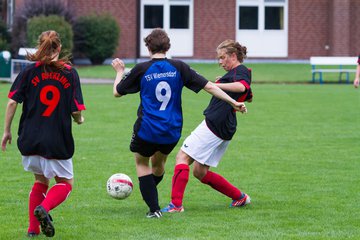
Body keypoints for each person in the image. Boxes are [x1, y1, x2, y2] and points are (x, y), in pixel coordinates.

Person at [111, 29, 246, 218]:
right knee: (159, 164)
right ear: (168, 47)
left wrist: (119, 72)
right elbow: (208, 86)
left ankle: (153, 207)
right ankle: (150, 192)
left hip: (147, 128)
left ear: (148, 48)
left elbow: (117, 92)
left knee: (142, 163)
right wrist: (233, 102)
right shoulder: (180, 67)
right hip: (172, 130)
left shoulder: (142, 68)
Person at [1, 30, 85, 237]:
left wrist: (6, 131)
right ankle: (44, 209)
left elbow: (12, 101)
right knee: (65, 184)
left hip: (29, 138)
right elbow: (75, 110)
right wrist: (79, 119)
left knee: (40, 181)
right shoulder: (69, 73)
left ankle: (32, 230)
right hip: (57, 139)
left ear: (40, 46)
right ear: (59, 48)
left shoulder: (29, 72)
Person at [162, 39, 253, 213]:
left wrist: (217, 84)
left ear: (233, 56)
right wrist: (225, 85)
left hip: (215, 124)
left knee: (182, 157)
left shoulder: (240, 71)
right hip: (224, 125)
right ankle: (239, 197)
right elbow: (248, 95)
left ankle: (176, 205)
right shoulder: (236, 73)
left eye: (222, 57)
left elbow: (242, 88)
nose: (220, 62)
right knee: (199, 171)